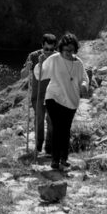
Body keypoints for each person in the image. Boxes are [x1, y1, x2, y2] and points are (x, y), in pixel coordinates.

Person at [39, 32, 93, 171]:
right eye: (66, 50)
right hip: (53, 97)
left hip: (71, 100)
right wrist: (38, 66)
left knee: (65, 129)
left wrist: (84, 85)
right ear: (61, 48)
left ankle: (64, 158)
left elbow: (85, 78)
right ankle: (55, 160)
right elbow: (41, 73)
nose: (69, 53)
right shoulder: (55, 59)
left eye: (72, 50)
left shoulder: (78, 63)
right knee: (57, 127)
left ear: (75, 49)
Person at [23, 33, 56, 155]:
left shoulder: (57, 57)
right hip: (37, 95)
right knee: (39, 119)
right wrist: (27, 68)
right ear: (42, 46)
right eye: (46, 49)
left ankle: (49, 148)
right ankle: (38, 145)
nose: (48, 52)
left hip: (53, 94)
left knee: (52, 120)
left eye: (51, 49)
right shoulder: (33, 56)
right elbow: (23, 75)